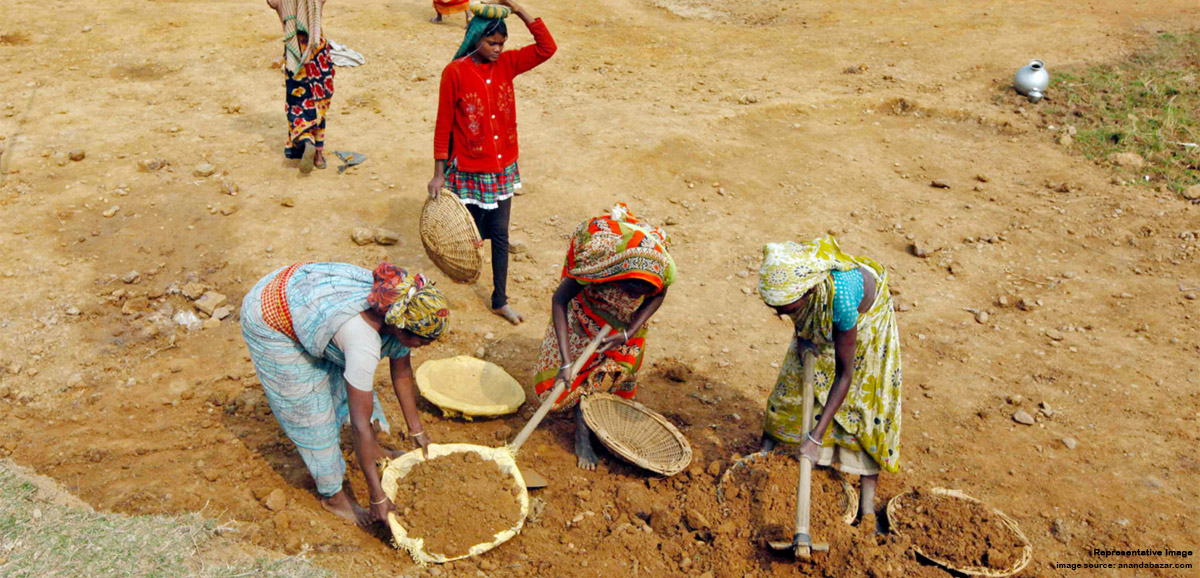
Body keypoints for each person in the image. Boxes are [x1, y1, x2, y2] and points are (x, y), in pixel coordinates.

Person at [240, 262, 450, 527]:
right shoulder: (363, 342)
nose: (425, 346)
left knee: (347, 378)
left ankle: (374, 452)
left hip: (309, 295)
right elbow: (360, 426)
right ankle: (334, 497)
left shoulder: (400, 300)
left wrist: (417, 431)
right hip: (272, 315)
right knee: (311, 412)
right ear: (399, 328)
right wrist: (377, 497)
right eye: (423, 340)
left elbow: (402, 371)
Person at [757, 235, 902, 533]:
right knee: (791, 384)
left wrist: (815, 438)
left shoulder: (842, 302)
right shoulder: (798, 283)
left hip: (866, 322)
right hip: (823, 311)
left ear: (808, 293)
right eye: (776, 307)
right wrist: (803, 339)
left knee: (862, 404)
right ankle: (761, 462)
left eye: (785, 307)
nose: (779, 313)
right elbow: (798, 317)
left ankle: (867, 509)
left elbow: (845, 374)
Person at [427, 0, 556, 325]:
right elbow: (443, 126)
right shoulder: (455, 72)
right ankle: (457, 275)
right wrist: (438, 174)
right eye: (492, 43)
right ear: (476, 38)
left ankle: (500, 300)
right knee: (468, 234)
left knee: (499, 233)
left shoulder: (508, 64)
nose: (498, 49)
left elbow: (547, 48)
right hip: (469, 169)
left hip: (502, 169)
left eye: (502, 43)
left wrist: (518, 8)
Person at [532, 204, 675, 470]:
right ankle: (582, 434)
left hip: (627, 321)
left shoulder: (662, 270)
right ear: (614, 279)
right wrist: (566, 362)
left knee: (622, 366)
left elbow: (658, 295)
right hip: (587, 306)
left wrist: (627, 333)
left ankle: (603, 420)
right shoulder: (595, 264)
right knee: (580, 369)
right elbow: (559, 300)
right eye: (629, 291)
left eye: (639, 295)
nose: (632, 297)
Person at [268, 0, 334, 173]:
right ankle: (318, 154)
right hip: (318, 52)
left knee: (297, 102)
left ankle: (306, 140)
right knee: (319, 102)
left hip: (295, 54)